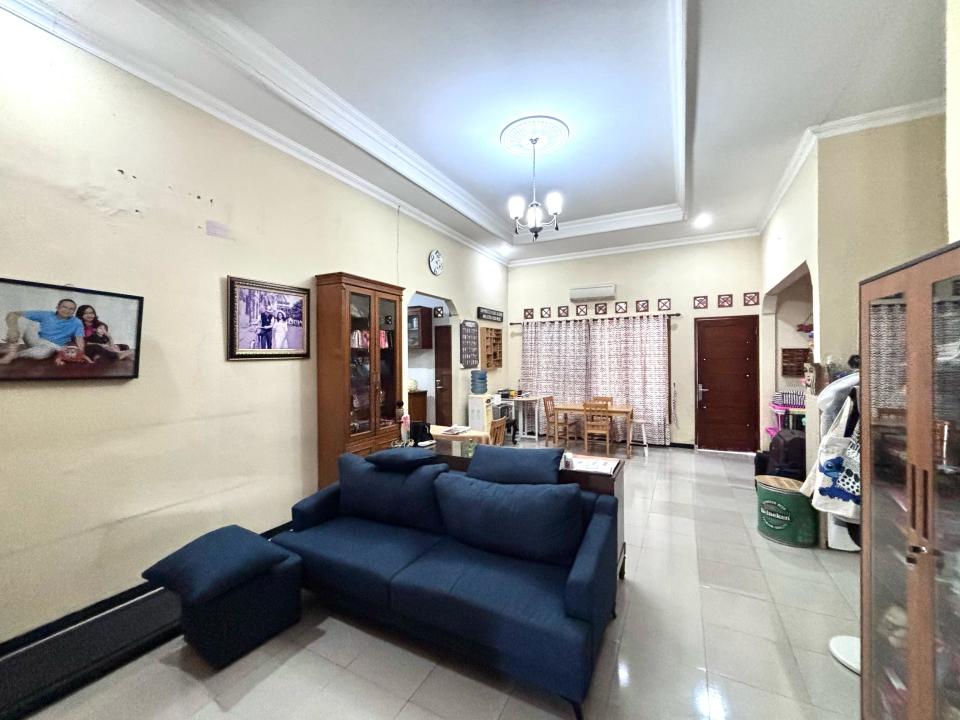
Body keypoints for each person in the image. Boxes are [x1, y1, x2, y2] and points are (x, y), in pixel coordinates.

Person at [0, 298, 92, 365]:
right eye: (64, 307)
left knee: (44, 353)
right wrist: (13, 331)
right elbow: (13, 314)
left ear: (74, 311)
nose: (67, 310)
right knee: (24, 320)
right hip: (35, 340)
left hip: (51, 348)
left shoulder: (76, 322)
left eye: (71, 309)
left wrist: (81, 353)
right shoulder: (46, 314)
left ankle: (16, 354)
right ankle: (11, 353)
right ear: (57, 307)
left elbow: (79, 338)